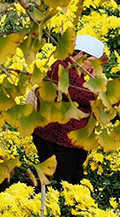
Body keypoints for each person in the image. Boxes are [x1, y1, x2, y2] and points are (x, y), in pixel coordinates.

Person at [32, 35, 109, 184]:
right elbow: (88, 97)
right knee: (62, 183)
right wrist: (95, 80)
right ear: (81, 56)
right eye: (94, 62)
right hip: (58, 141)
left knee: (70, 181)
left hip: (64, 140)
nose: (95, 67)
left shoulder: (71, 69)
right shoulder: (64, 69)